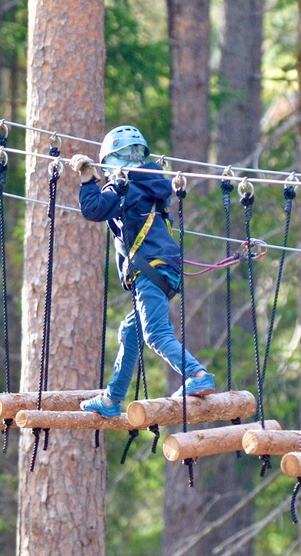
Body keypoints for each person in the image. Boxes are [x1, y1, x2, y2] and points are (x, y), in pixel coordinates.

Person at [69, 125, 216, 418]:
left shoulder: (123, 187)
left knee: (155, 334)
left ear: (110, 161)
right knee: (130, 331)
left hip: (149, 271)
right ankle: (112, 398)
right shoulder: (152, 184)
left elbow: (93, 210)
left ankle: (198, 375)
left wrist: (87, 180)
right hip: (165, 270)